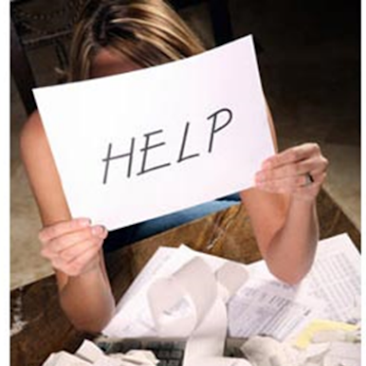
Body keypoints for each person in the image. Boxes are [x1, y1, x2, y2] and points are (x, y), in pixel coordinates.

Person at [20, 0, 328, 334]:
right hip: (127, 266)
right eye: (117, 98)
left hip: (226, 242)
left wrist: (302, 199)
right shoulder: (48, 137)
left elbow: (290, 269)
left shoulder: (232, 95)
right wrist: (84, 267)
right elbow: (93, 320)